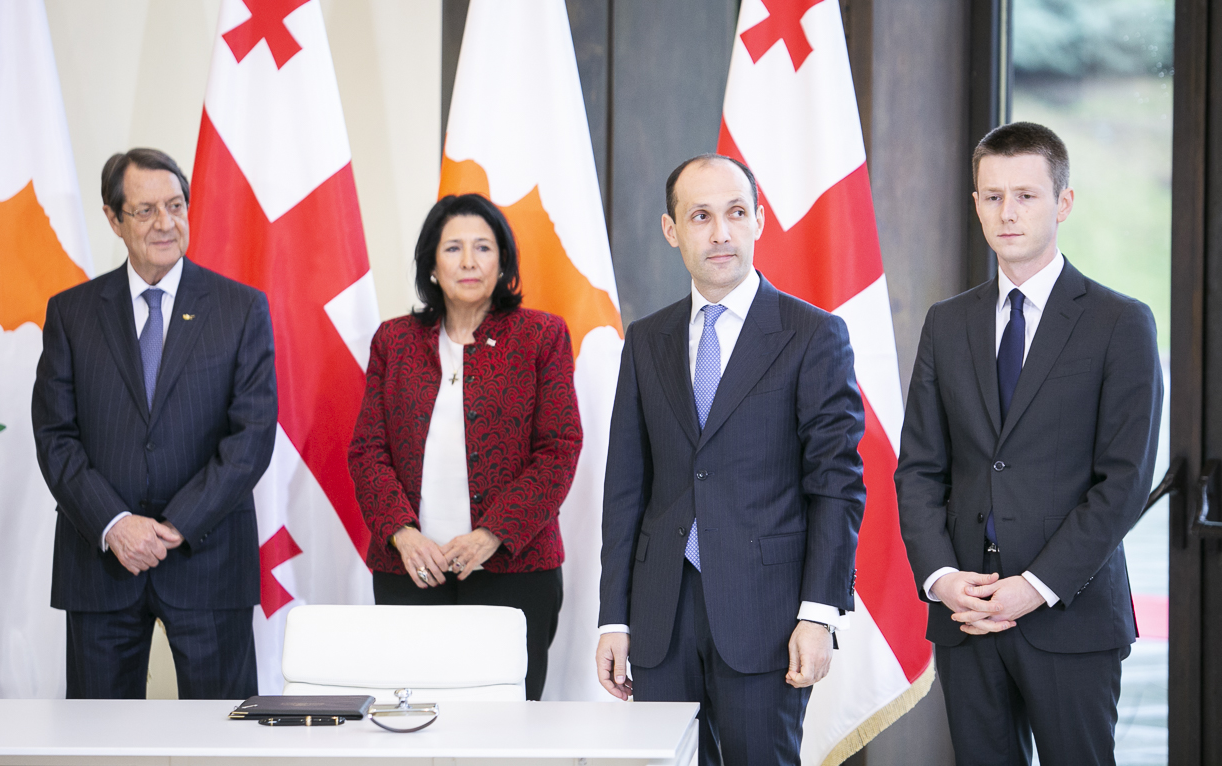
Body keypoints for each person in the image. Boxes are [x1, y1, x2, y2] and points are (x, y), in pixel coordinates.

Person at [895, 122, 1163, 765]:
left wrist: (1036, 585)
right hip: (966, 614)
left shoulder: (1120, 322)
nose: (1007, 213)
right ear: (976, 204)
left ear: (1063, 203)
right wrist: (942, 578)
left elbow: (1124, 482)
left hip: (1070, 615)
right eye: (992, 197)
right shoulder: (946, 322)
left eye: (1025, 195)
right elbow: (920, 469)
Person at [595, 154, 867, 766]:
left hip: (768, 616)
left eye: (736, 213)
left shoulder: (813, 334)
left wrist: (819, 614)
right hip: (661, 615)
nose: (721, 232)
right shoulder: (646, 339)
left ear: (760, 221)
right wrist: (614, 618)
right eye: (701, 216)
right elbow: (625, 487)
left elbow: (837, 486)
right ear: (671, 230)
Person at [32, 148, 278, 699]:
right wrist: (116, 523)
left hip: (208, 557)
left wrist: (176, 526)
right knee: (99, 738)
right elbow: (55, 437)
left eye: (176, 206)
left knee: (221, 736)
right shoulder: (71, 313)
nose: (165, 223)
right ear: (113, 218)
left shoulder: (241, 309)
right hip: (101, 562)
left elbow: (252, 437)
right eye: (145, 211)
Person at [348, 193, 582, 701]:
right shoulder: (394, 341)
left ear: (504, 262)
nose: (470, 261)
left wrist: (491, 534)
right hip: (410, 569)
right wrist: (403, 536)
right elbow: (367, 451)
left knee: (505, 721)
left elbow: (560, 449)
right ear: (432, 264)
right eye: (453, 248)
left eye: (484, 247)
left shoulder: (541, 336)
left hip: (516, 570)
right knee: (415, 716)